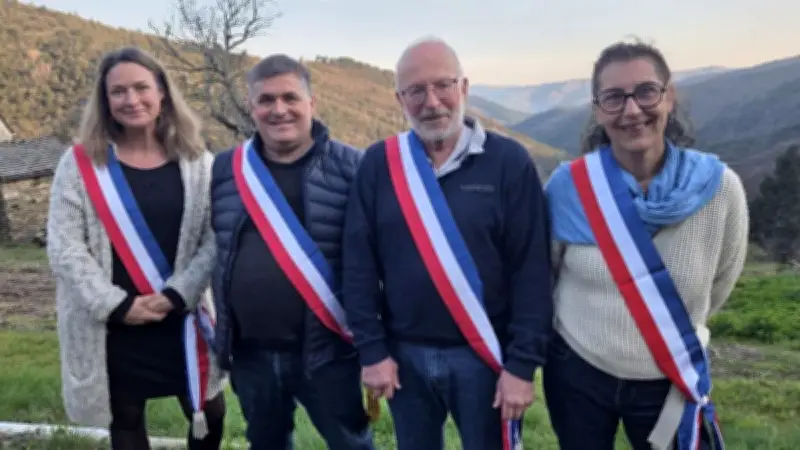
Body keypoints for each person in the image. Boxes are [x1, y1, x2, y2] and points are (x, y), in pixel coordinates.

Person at [342, 36, 554, 450]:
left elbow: (532, 271)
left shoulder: (509, 162)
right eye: (416, 91)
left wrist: (523, 365)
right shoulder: (379, 164)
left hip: (485, 357)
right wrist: (372, 351)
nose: (432, 101)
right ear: (399, 99)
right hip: (404, 359)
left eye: (443, 85)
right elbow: (358, 266)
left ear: (464, 87)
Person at [543, 40, 749, 450]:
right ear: (598, 109)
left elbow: (721, 282)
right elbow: (546, 274)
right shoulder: (569, 188)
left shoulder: (720, 189)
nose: (632, 109)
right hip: (578, 372)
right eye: (614, 97)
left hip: (669, 378)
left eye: (646, 92)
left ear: (669, 97)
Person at [46, 46, 226, 450]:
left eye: (142, 87)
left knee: (210, 414)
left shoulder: (198, 162)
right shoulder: (79, 165)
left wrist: (177, 295)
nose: (132, 100)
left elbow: (216, 238)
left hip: (183, 317)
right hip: (113, 324)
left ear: (162, 92)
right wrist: (117, 305)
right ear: (105, 101)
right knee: (125, 421)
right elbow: (65, 247)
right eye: (119, 91)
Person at [209, 54, 374, 450]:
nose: (278, 109)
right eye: (266, 100)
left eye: (290, 98)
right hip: (251, 352)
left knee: (352, 443)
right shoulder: (226, 169)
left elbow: (376, 259)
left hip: (331, 351)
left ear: (311, 104)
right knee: (266, 443)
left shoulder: (354, 167)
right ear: (252, 108)